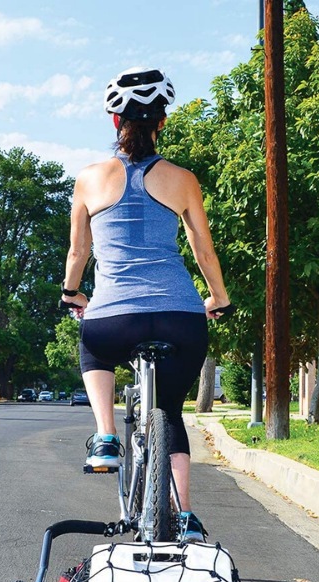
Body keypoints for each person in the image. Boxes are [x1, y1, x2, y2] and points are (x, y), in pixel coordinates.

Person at [60, 66, 231, 541]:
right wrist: (218, 298)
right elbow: (203, 251)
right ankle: (188, 515)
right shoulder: (183, 179)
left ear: (116, 124)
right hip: (180, 317)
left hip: (114, 318)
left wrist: (72, 294)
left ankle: (106, 437)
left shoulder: (89, 179)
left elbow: (79, 252)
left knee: (92, 343)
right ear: (162, 123)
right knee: (171, 411)